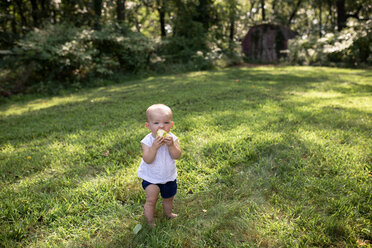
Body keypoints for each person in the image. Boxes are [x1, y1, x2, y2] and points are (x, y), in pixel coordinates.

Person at [137, 104, 182, 226]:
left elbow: (177, 155)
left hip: (168, 176)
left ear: (171, 125)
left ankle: (168, 214)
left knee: (169, 198)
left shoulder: (172, 138)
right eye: (156, 123)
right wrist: (154, 147)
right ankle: (150, 221)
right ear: (148, 126)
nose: (161, 126)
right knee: (151, 199)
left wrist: (171, 145)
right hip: (151, 177)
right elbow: (147, 159)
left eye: (166, 122)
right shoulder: (147, 141)